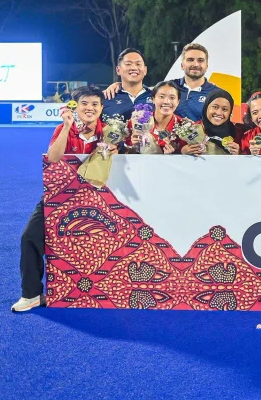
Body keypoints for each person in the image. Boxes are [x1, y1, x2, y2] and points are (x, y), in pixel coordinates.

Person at [12, 86, 114, 313]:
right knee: (29, 236)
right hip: (60, 195)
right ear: (75, 107)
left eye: (95, 104)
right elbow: (53, 158)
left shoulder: (109, 131)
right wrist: (67, 127)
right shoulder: (63, 128)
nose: (90, 108)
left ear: (101, 108)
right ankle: (31, 294)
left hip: (99, 200)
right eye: (85, 103)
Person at [126, 80, 184, 154]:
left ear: (178, 102)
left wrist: (175, 154)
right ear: (153, 99)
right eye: (161, 97)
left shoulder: (184, 126)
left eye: (172, 98)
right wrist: (133, 146)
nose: (166, 102)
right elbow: (123, 152)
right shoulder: (137, 122)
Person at [181, 89, 240, 156]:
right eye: (215, 107)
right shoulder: (191, 130)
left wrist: (240, 154)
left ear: (230, 112)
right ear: (206, 107)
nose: (219, 113)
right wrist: (183, 151)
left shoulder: (238, 133)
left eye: (225, 109)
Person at [173, 43, 222, 121]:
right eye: (190, 60)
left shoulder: (217, 94)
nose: (195, 64)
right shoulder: (169, 87)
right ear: (182, 65)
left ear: (206, 67)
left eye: (200, 60)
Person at [102, 48, 152, 120]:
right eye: (128, 64)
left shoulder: (156, 96)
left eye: (138, 64)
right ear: (118, 70)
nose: (134, 68)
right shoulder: (106, 98)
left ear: (145, 70)